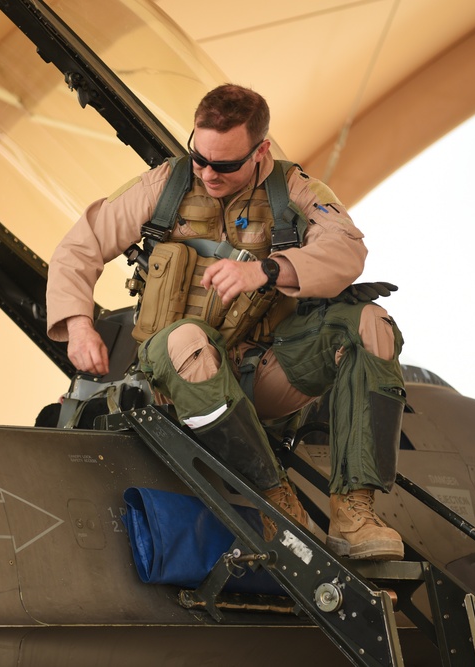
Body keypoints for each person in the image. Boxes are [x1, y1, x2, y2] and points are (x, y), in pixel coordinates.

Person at [46, 84, 407, 561]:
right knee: (189, 341)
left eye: (226, 165)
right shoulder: (165, 186)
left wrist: (265, 269)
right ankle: (275, 500)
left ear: (261, 151)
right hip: (171, 376)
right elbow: (78, 248)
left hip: (259, 372)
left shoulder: (294, 191)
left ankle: (354, 514)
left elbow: (347, 249)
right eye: (200, 158)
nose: (208, 174)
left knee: (371, 323)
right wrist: (78, 324)